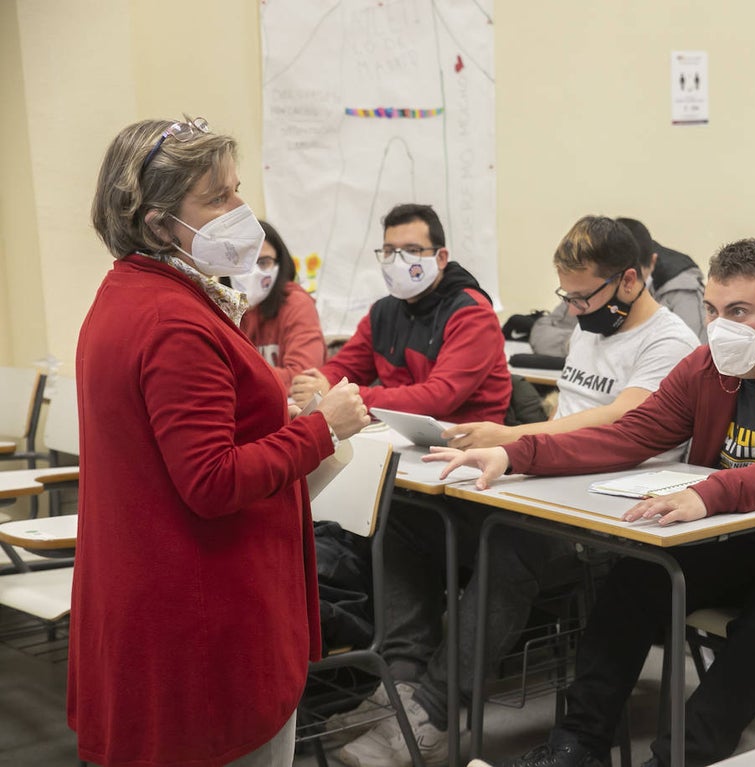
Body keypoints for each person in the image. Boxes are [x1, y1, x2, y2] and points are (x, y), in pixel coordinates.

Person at [428, 238, 755, 767]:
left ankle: (676, 759)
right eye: (711, 309)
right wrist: (517, 451)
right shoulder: (709, 365)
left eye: (737, 312)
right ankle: (575, 746)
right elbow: (630, 435)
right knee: (636, 578)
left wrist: (707, 494)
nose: (718, 325)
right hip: (752, 534)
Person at [336, 216, 699, 767]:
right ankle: (401, 684)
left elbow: (618, 422)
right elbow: (571, 414)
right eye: (567, 296)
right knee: (406, 513)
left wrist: (512, 436)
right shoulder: (594, 325)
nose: (573, 309)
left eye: (582, 296)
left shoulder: (670, 341)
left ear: (629, 280)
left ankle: (434, 709)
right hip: (551, 488)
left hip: (617, 519)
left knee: (512, 543)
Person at [73, 117, 370, 766]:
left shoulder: (136, 294)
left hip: (173, 596)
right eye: (219, 198)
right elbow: (211, 481)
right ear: (156, 222)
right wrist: (321, 430)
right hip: (206, 613)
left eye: (237, 190)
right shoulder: (173, 320)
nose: (244, 213)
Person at [290, 203, 510, 424]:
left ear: (441, 258)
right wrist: (316, 386)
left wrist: (340, 395)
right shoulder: (383, 311)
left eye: (411, 251)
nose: (397, 261)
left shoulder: (473, 314)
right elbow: (345, 367)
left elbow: (439, 397)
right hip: (403, 433)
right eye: (389, 251)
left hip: (467, 441)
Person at [529, 217, 706, 355]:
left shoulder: (682, 293)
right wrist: (582, 346)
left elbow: (688, 360)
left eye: (637, 277)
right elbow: (542, 332)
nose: (630, 288)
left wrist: (614, 348)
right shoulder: (587, 288)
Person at [225, 219, 326, 390]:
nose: (253, 272)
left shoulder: (296, 304)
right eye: (244, 262)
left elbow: (303, 379)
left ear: (279, 264)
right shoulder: (220, 308)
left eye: (263, 262)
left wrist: (238, 377)